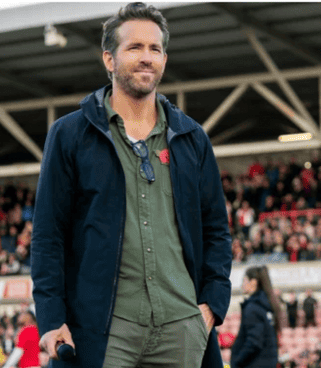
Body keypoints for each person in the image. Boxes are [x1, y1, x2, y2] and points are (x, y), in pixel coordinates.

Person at [31, 3, 232, 368]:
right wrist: (50, 317)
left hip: (182, 325)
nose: (146, 58)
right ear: (109, 59)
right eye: (135, 48)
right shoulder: (70, 135)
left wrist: (213, 304)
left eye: (155, 49)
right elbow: (48, 235)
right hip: (104, 329)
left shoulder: (191, 137)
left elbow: (217, 229)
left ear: (164, 60)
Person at [231, 266, 282, 368]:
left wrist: (237, 361)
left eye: (244, 280)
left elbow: (254, 342)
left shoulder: (253, 308)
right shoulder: (267, 306)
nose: (242, 284)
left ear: (253, 282)